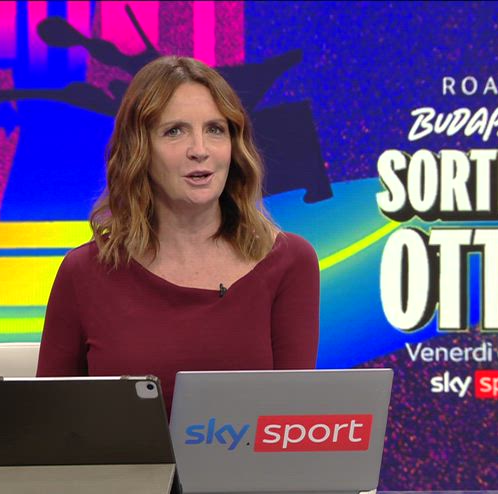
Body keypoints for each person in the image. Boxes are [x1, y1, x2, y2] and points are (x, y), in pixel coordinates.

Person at [36, 56, 320, 415]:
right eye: (174, 131)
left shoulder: (289, 262)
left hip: (247, 456)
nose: (199, 150)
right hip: (123, 455)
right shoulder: (85, 272)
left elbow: (291, 426)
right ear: (140, 150)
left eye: (215, 129)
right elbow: (48, 427)